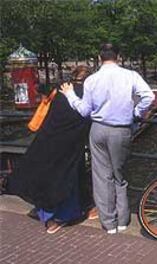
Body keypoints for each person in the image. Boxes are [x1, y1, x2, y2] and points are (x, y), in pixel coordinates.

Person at [60, 43, 155, 234]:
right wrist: (136, 112)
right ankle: (123, 220)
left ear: (99, 57)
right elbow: (149, 97)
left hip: (98, 130)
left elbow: (85, 110)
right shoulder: (131, 76)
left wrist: (70, 95)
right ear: (118, 56)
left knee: (102, 177)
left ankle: (109, 223)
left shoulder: (92, 80)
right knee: (120, 175)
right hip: (121, 130)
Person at [7, 66, 94, 234]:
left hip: (48, 138)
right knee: (65, 177)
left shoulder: (59, 90)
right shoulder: (87, 94)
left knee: (49, 175)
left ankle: (48, 214)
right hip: (70, 143)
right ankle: (59, 217)